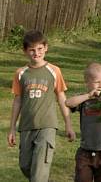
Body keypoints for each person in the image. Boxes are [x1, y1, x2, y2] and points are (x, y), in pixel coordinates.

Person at [8, 30, 76, 181]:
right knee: (25, 165)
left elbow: (61, 97)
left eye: (39, 48)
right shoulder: (21, 73)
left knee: (38, 174)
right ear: (25, 51)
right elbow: (17, 100)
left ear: (46, 48)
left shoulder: (54, 71)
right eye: (32, 49)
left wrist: (68, 125)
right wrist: (12, 128)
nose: (36, 53)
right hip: (26, 127)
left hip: (47, 126)